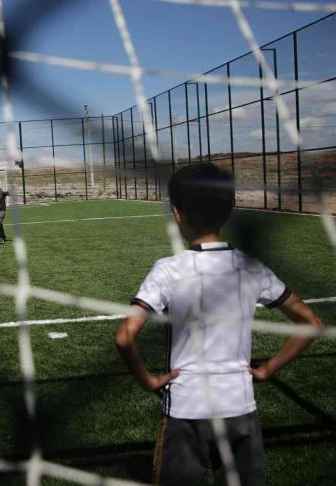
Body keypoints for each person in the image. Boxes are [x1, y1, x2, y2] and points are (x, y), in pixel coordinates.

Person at [114, 162, 323, 486]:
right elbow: (310, 322)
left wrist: (149, 381)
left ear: (177, 213)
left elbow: (125, 338)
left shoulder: (168, 269)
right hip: (239, 406)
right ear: (229, 210)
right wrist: (267, 370)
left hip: (186, 408)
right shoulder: (251, 268)